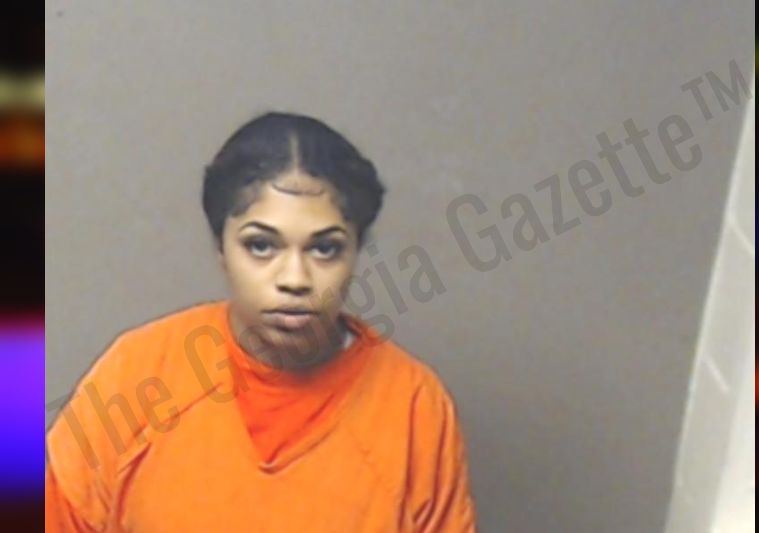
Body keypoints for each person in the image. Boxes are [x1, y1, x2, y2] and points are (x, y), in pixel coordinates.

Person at [45, 112, 478, 532]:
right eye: (261, 246)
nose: (295, 279)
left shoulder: (413, 406)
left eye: (325, 249)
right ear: (222, 248)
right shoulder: (138, 374)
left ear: (356, 252)